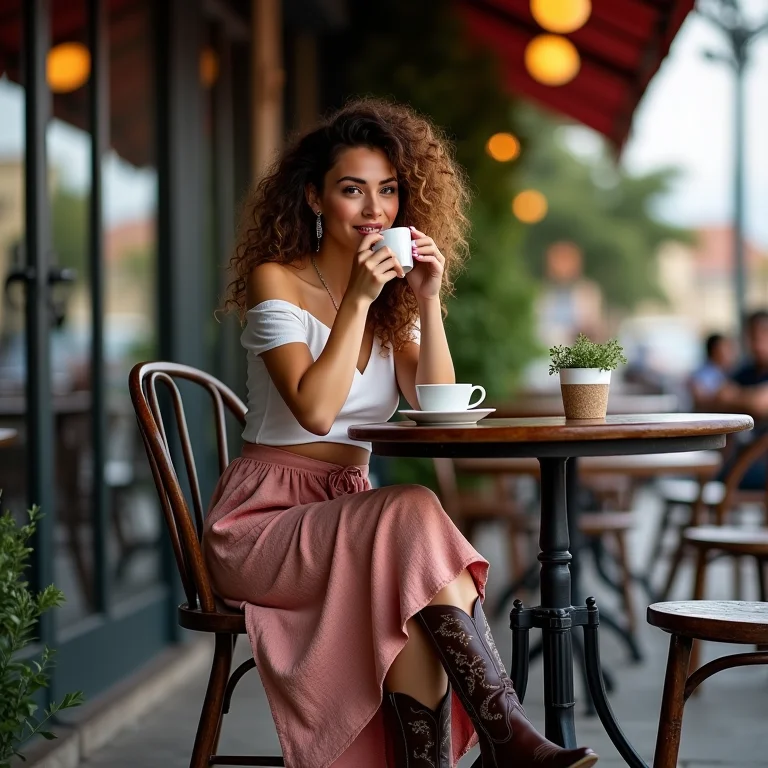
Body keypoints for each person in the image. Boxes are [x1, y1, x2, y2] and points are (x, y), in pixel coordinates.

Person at [203, 98, 598, 768]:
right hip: (265, 524)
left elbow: (435, 403)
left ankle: (467, 756)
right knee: (413, 509)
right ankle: (512, 738)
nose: (373, 209)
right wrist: (357, 297)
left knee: (418, 599)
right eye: (352, 190)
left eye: (387, 191)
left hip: (348, 517)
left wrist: (427, 298)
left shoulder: (391, 304)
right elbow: (316, 412)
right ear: (314, 198)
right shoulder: (280, 281)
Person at [688, 332, 737, 410]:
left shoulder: (729, 371)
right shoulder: (703, 374)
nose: (730, 354)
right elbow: (699, 399)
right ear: (715, 350)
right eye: (726, 349)